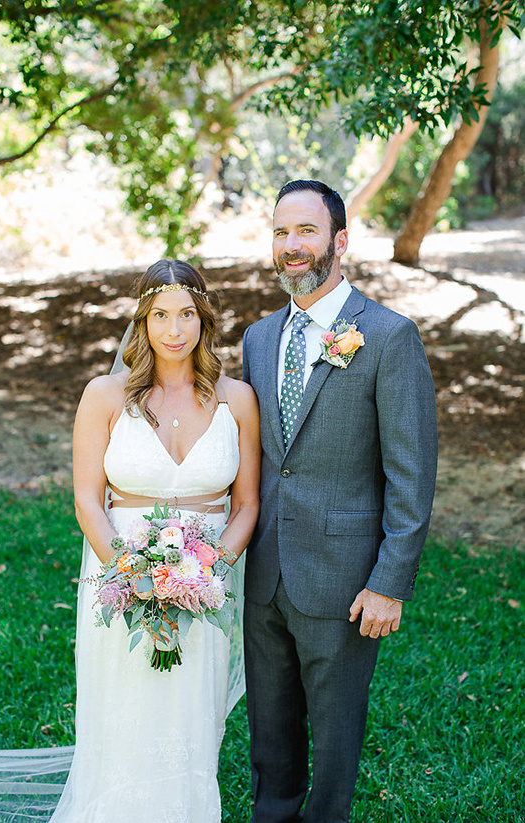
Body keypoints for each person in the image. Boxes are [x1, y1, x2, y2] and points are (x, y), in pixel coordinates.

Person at [242, 179, 438, 823]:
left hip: (345, 581)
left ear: (340, 241)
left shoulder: (388, 336)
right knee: (271, 740)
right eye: (280, 233)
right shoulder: (258, 339)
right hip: (264, 575)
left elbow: (411, 475)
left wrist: (389, 582)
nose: (291, 247)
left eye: (305, 231)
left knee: (333, 748)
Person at [52, 258, 260, 823]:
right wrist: (131, 571)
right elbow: (88, 500)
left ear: (204, 319)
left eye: (187, 314)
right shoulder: (104, 395)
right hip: (117, 578)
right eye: (161, 315)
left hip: (205, 585)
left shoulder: (236, 400)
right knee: (124, 718)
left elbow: (246, 506)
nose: (175, 330)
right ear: (142, 321)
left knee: (191, 720)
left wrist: (208, 567)